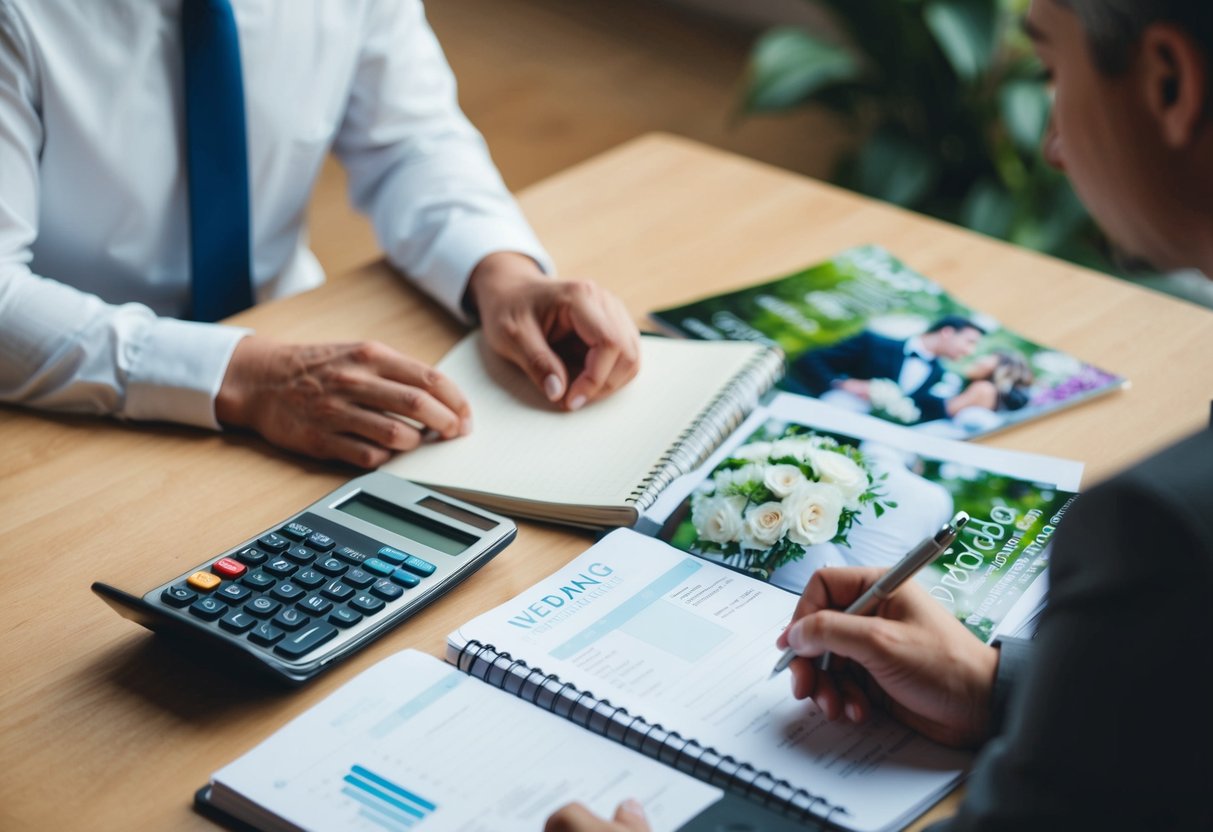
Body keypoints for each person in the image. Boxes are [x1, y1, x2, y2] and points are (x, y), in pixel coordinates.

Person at [545, 0, 1213, 829]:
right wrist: (994, 687)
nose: (1048, 144)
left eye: (1050, 71)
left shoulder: (1165, 533)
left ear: (1167, 83)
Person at [0, 0, 640, 469]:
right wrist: (248, 377)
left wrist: (504, 274)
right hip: (62, 405)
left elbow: (411, 144)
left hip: (292, 336)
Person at [790, 316, 985, 424]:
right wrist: (841, 383)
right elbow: (809, 360)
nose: (970, 351)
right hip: (820, 417)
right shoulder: (874, 343)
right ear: (947, 332)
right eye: (969, 342)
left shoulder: (939, 375)